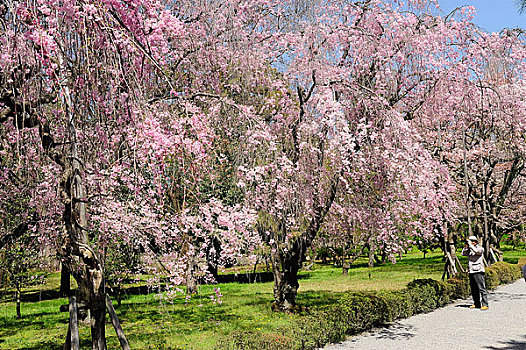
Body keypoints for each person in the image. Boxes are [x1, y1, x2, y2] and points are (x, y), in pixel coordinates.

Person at [462, 235, 489, 310]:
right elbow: (463, 253)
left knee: (481, 288)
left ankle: (485, 304)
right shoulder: (470, 249)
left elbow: (477, 252)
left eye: (472, 241)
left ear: (475, 242)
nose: (471, 242)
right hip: (471, 270)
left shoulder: (480, 248)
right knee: (473, 288)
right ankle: (476, 303)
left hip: (478, 270)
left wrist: (470, 245)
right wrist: (466, 246)